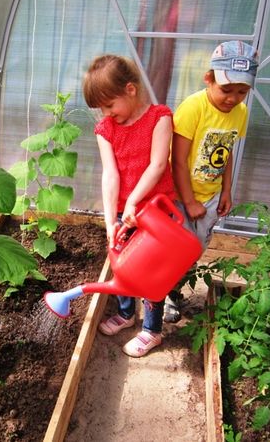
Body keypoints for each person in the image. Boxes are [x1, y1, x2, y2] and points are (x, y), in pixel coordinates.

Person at [82, 54, 177, 357]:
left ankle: (152, 329)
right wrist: (111, 221)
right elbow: (110, 175)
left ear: (131, 90)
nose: (106, 114)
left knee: (151, 270)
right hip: (126, 213)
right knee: (122, 263)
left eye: (109, 105)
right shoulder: (105, 130)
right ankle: (126, 314)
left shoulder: (159, 117)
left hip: (156, 212)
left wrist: (135, 200)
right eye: (101, 108)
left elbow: (158, 165)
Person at [164, 40, 259, 322]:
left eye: (242, 91)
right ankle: (164, 297)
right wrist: (189, 201)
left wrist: (227, 189)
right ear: (209, 78)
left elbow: (226, 152)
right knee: (175, 251)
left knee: (194, 252)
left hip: (211, 196)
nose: (233, 98)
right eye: (226, 89)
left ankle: (174, 291)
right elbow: (177, 161)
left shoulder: (240, 113)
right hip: (182, 198)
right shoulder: (193, 107)